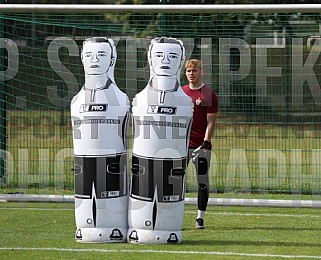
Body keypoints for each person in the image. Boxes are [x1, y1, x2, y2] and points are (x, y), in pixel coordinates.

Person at [182, 59, 218, 229]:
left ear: (201, 72)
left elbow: (211, 122)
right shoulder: (180, 93)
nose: (191, 73)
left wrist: (205, 143)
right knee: (175, 181)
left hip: (201, 147)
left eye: (194, 70)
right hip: (181, 147)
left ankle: (199, 218)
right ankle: (173, 216)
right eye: (189, 71)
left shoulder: (209, 94)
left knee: (202, 182)